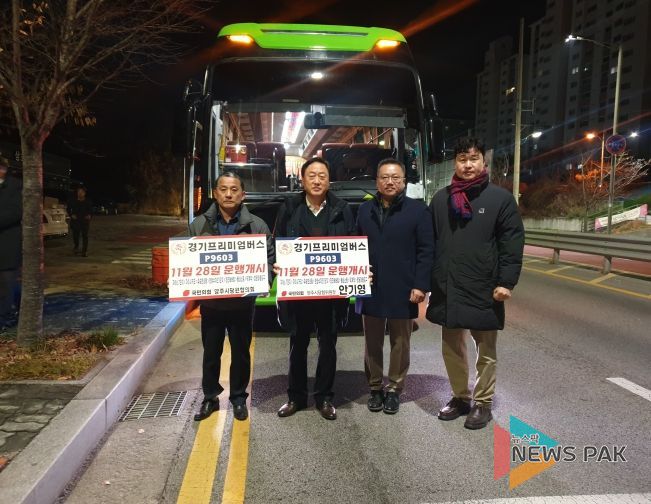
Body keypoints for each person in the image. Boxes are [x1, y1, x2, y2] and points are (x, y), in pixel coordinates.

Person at [427, 137, 524, 430]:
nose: (467, 165)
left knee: (486, 350)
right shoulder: (441, 199)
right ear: (455, 162)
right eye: (462, 159)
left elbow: (512, 243)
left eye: (473, 159)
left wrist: (506, 281)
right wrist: (428, 279)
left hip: (484, 286)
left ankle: (483, 402)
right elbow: (430, 243)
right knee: (451, 347)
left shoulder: (500, 199)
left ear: (483, 162)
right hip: (448, 286)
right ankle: (460, 397)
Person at [274, 157, 355, 420]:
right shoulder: (289, 207)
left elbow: (352, 245)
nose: (317, 180)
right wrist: (277, 263)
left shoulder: (342, 209)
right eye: (312, 176)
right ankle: (295, 397)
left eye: (322, 176)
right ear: (302, 179)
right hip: (298, 292)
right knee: (297, 344)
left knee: (328, 344)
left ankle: (324, 397)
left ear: (329, 181)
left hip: (331, 294)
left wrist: (358, 268)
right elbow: (278, 242)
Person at [188, 172, 274, 422]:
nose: (228, 194)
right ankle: (210, 397)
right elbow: (187, 259)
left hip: (242, 304)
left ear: (242, 194)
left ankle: (238, 398)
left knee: (241, 354)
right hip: (212, 304)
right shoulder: (198, 225)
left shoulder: (257, 225)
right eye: (223, 189)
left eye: (234, 189)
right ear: (215, 193)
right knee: (210, 354)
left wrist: (265, 280)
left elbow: (269, 259)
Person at [356, 158, 434, 414]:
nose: (390, 182)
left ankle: (394, 389)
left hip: (404, 287)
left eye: (395, 177)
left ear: (404, 181)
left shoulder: (418, 210)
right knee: (372, 341)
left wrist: (421, 285)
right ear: (377, 181)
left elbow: (426, 250)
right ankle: (375, 387)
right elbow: (354, 246)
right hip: (371, 286)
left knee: (401, 342)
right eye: (384, 177)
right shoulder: (364, 210)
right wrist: (355, 277)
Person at [0, 153, 22, 328]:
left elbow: (16, 212)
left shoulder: (15, 185)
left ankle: (5, 317)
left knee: (7, 283)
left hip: (7, 245)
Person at [67, 186, 92, 257]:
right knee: (75, 236)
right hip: (75, 221)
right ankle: (76, 247)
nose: (80, 193)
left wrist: (89, 215)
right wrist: (71, 215)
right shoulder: (73, 201)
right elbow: (68, 209)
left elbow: (91, 211)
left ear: (84, 193)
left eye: (82, 192)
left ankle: (84, 251)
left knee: (85, 236)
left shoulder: (88, 201)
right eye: (79, 192)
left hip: (84, 221)